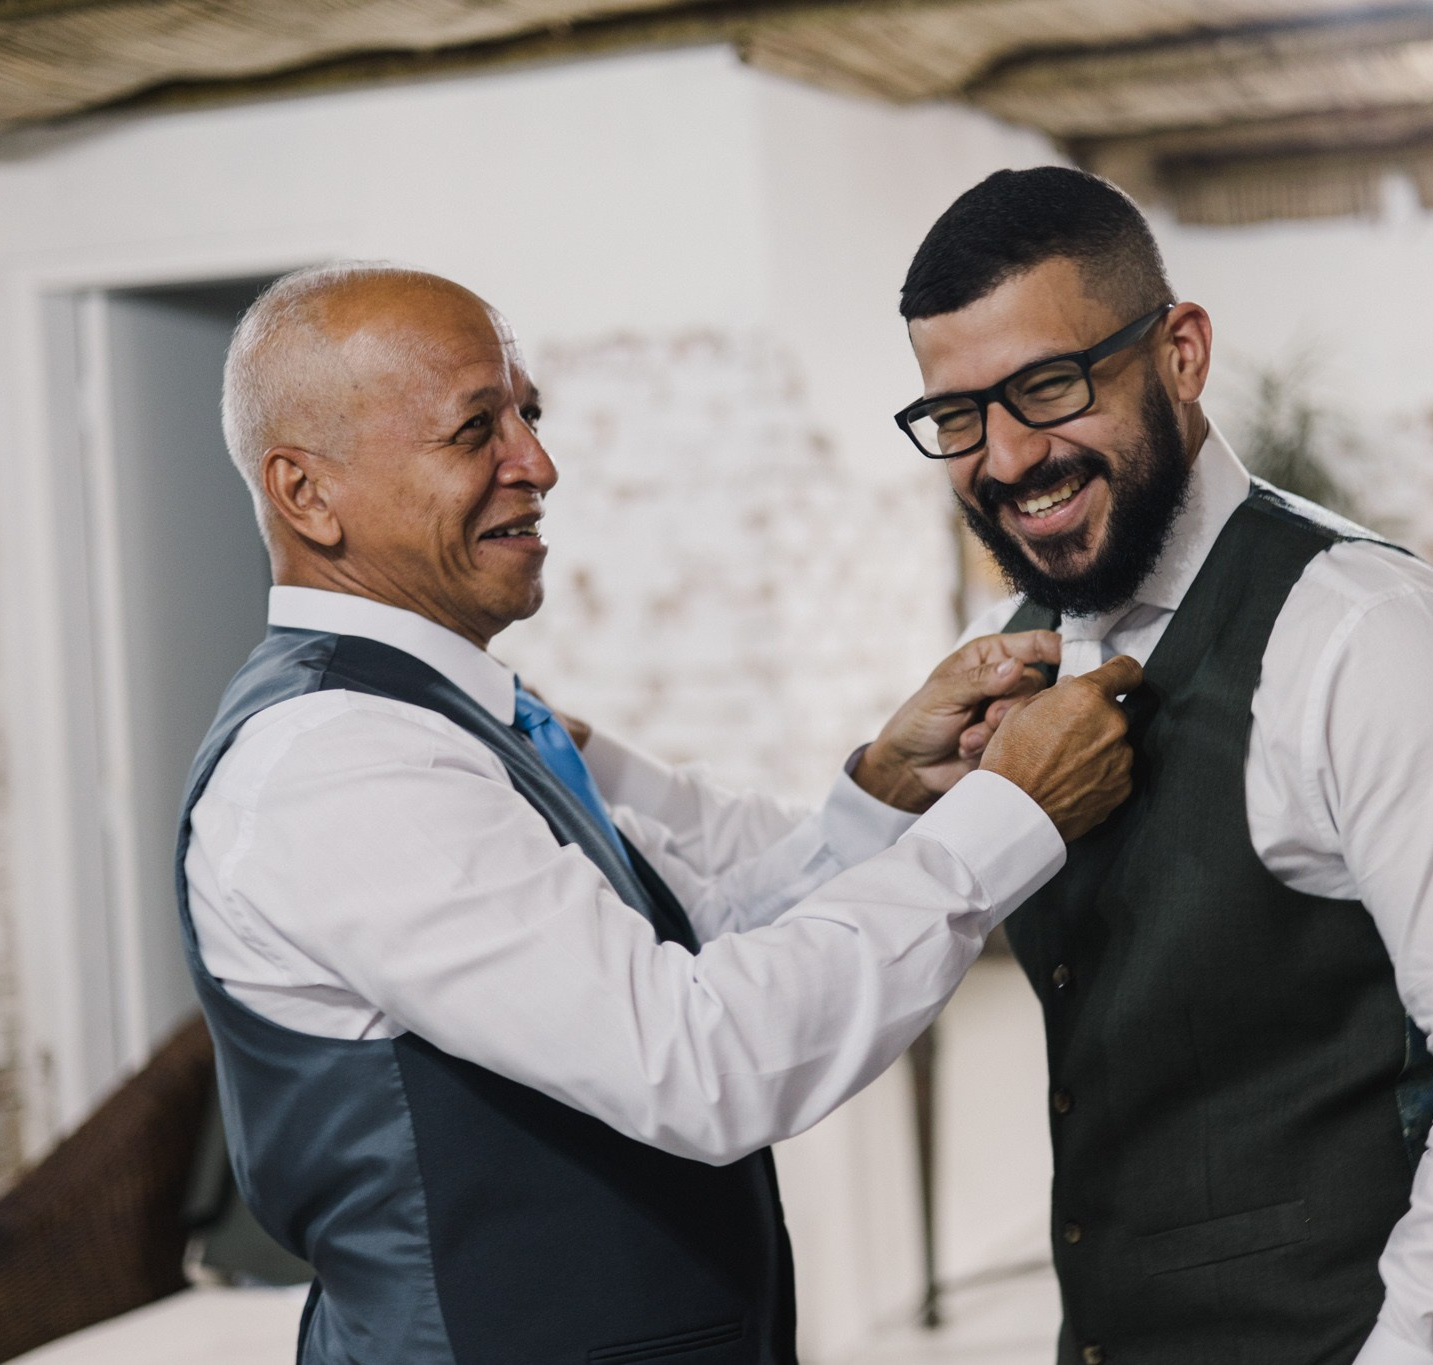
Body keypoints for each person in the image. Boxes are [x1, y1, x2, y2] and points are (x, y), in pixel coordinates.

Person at [180, 262, 1141, 1365]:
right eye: (471, 429)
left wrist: (891, 785)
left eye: (527, 414)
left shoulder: (458, 718)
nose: (537, 464)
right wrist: (1010, 819)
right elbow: (696, 1061)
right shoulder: (338, 764)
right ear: (306, 494)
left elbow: (704, 925)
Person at [889, 167, 1433, 1365]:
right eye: (958, 415)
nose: (1007, 456)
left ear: (1178, 352)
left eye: (1046, 385)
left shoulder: (1381, 642)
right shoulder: (1025, 655)